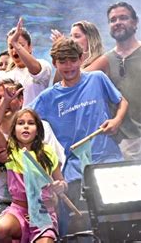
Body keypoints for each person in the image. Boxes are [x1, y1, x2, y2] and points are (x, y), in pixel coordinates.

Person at [30, 38, 128, 234]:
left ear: (82, 58)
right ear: (55, 63)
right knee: (79, 223)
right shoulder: (48, 97)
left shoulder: (97, 78)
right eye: (62, 61)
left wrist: (116, 121)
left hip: (108, 160)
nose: (68, 66)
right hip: (73, 170)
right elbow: (22, 120)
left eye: (73, 60)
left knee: (119, 217)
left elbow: (122, 101)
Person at [0, 79, 65, 227]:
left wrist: (58, 186)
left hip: (40, 197)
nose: (4, 101)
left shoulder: (43, 128)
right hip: (2, 200)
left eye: (10, 96)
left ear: (21, 99)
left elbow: (57, 169)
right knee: (2, 229)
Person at [87, 2, 141, 160]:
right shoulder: (106, 60)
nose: (117, 23)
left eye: (123, 18)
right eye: (113, 20)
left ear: (135, 22)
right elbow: (74, 80)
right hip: (122, 143)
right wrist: (63, 53)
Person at [0, 19, 52, 106]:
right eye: (11, 47)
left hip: (34, 118)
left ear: (30, 47)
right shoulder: (5, 75)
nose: (15, 50)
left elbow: (36, 71)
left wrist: (14, 43)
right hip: (12, 119)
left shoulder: (43, 65)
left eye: (20, 44)